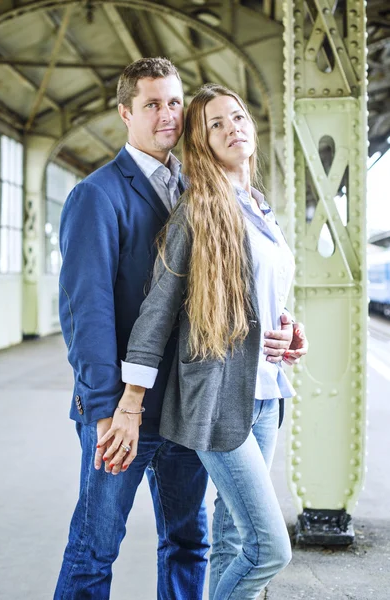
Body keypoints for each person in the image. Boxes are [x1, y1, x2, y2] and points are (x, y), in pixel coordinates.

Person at [99, 83, 308, 600]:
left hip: (265, 395)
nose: (232, 127)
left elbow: (261, 296)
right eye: (216, 123)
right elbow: (157, 313)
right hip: (215, 402)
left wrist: (288, 326)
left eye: (237, 117)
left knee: (234, 540)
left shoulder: (260, 208)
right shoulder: (198, 211)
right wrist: (131, 400)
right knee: (269, 549)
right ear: (201, 140)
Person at [54, 58, 210, 600]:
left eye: (174, 102)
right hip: (124, 412)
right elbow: (86, 311)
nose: (167, 115)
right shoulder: (97, 196)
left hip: (185, 407)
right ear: (126, 113)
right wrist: (104, 409)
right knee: (95, 549)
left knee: (190, 542)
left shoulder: (194, 191)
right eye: (152, 104)